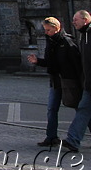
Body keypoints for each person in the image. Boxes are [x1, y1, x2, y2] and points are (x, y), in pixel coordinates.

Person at [27, 17, 82, 147]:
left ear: (57, 28)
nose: (46, 32)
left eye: (48, 30)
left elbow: (77, 64)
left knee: (79, 108)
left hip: (69, 81)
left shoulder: (67, 42)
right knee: (52, 109)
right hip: (55, 81)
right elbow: (49, 62)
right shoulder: (50, 41)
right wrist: (38, 61)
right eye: (45, 30)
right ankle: (51, 137)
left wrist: (80, 82)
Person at [64, 10, 91, 151]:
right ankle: (73, 139)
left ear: (85, 20)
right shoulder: (84, 35)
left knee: (83, 109)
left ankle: (73, 139)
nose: (73, 22)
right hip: (87, 83)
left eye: (76, 20)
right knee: (85, 110)